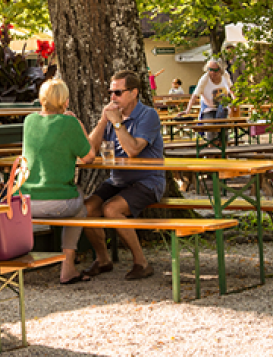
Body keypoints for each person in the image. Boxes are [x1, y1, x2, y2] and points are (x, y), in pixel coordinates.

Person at [83, 70, 165, 281]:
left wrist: (117, 123)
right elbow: (89, 151)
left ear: (134, 92)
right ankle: (103, 260)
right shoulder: (111, 117)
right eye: (111, 92)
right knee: (87, 208)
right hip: (118, 179)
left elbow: (133, 150)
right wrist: (103, 121)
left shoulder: (148, 115)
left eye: (118, 92)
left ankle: (141, 262)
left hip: (148, 180)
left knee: (111, 209)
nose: (112, 98)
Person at [21, 79, 96, 284]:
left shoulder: (29, 121)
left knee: (74, 200)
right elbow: (89, 156)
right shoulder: (69, 123)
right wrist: (78, 124)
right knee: (81, 205)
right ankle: (68, 267)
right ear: (66, 101)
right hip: (58, 203)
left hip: (27, 202)